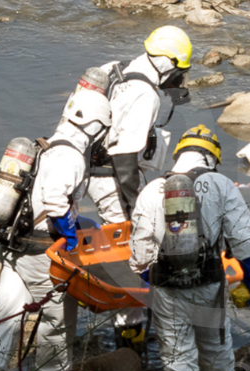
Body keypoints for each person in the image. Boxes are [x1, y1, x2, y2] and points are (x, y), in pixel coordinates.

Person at [0, 70, 112, 371]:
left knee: (6, 318)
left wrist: (77, 224)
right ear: (95, 126)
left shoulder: (47, 146)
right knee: (57, 320)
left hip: (14, 246)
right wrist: (71, 238)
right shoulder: (72, 157)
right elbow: (54, 199)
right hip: (41, 252)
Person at [129, 125, 250, 371]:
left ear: (178, 154)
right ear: (212, 157)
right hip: (209, 285)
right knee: (216, 347)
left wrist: (151, 279)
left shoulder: (151, 190)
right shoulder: (221, 185)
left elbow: (140, 254)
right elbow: (243, 241)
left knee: (177, 360)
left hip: (167, 289)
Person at [90, 25, 193, 347]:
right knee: (133, 253)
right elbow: (124, 159)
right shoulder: (145, 95)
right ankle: (129, 339)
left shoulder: (115, 69)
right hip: (110, 178)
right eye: (179, 71)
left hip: (85, 169)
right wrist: (138, 213)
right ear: (167, 63)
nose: (180, 78)